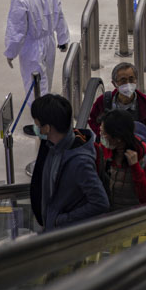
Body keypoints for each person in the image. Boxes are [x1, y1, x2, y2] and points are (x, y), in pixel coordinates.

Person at [28, 94, 109, 231]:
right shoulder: (50, 146)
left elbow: (100, 203)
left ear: (47, 128)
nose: (36, 128)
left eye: (37, 124)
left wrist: (61, 220)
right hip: (50, 228)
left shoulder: (80, 161)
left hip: (66, 235)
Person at [4, 0, 70, 105]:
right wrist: (62, 38)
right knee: (46, 77)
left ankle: (41, 122)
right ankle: (45, 114)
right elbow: (59, 14)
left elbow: (17, 30)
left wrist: (11, 52)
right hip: (49, 42)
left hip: (31, 46)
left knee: (35, 85)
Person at [88, 62, 146, 162]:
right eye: (123, 80)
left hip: (138, 157)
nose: (128, 84)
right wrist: (104, 135)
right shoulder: (103, 101)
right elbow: (92, 120)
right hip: (110, 156)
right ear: (114, 83)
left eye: (131, 79)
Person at [98, 109, 146, 210]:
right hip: (108, 216)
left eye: (104, 134)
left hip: (133, 219)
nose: (102, 137)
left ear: (118, 137)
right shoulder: (105, 149)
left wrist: (135, 167)